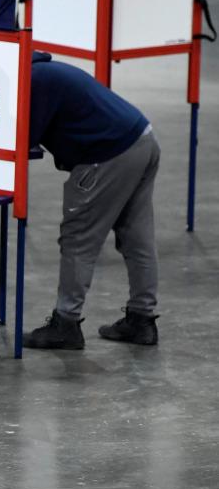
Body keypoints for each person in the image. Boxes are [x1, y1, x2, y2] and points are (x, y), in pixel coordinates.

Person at [23, 52, 161, 351]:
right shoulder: (47, 70)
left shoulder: (32, 81)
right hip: (143, 138)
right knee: (138, 238)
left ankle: (66, 324)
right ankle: (142, 319)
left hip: (108, 154)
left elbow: (21, 141)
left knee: (78, 239)